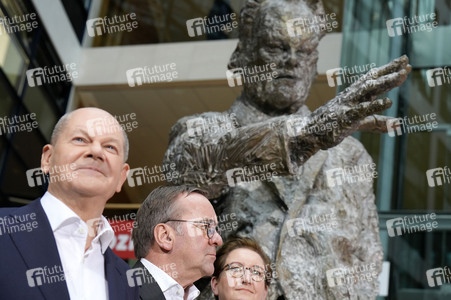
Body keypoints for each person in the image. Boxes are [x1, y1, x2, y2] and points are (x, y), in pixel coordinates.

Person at [164, 0, 410, 298]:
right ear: (242, 54)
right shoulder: (202, 132)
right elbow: (195, 167)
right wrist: (307, 135)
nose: (292, 60)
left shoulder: (350, 155)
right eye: (276, 47)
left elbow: (366, 257)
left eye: (305, 51)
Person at [0, 107, 137, 300]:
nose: (96, 151)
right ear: (47, 158)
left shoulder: (127, 283)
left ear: (121, 177)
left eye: (110, 147)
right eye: (80, 139)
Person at [131, 185, 223, 300]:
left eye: (215, 229)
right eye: (206, 227)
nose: (218, 240)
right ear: (165, 236)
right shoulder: (118, 291)